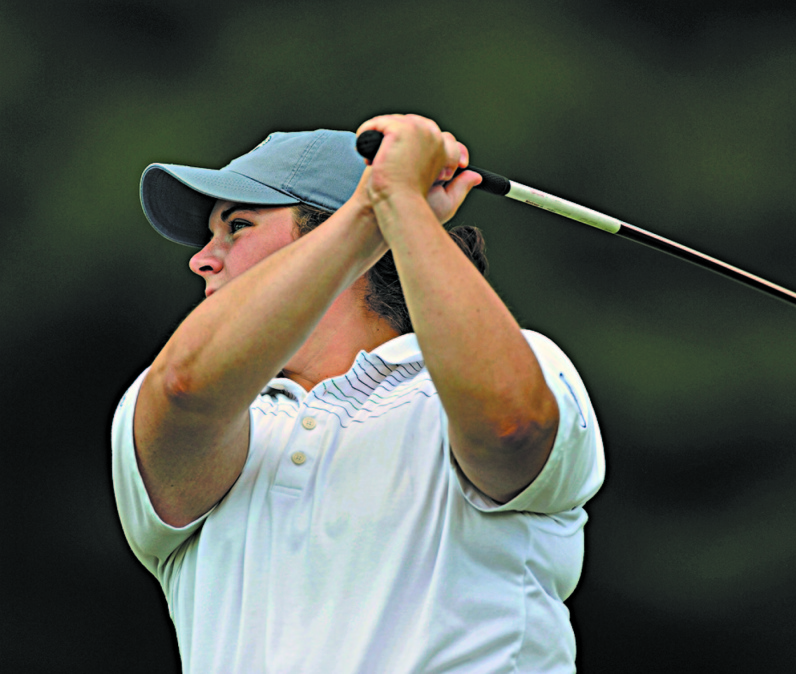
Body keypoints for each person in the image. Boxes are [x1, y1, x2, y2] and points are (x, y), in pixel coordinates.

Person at [111, 114, 605, 673]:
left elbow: (511, 426)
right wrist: (380, 206)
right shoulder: (201, 410)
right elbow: (186, 388)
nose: (201, 258)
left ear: (332, 233)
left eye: (237, 225)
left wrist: (397, 209)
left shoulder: (519, 363)